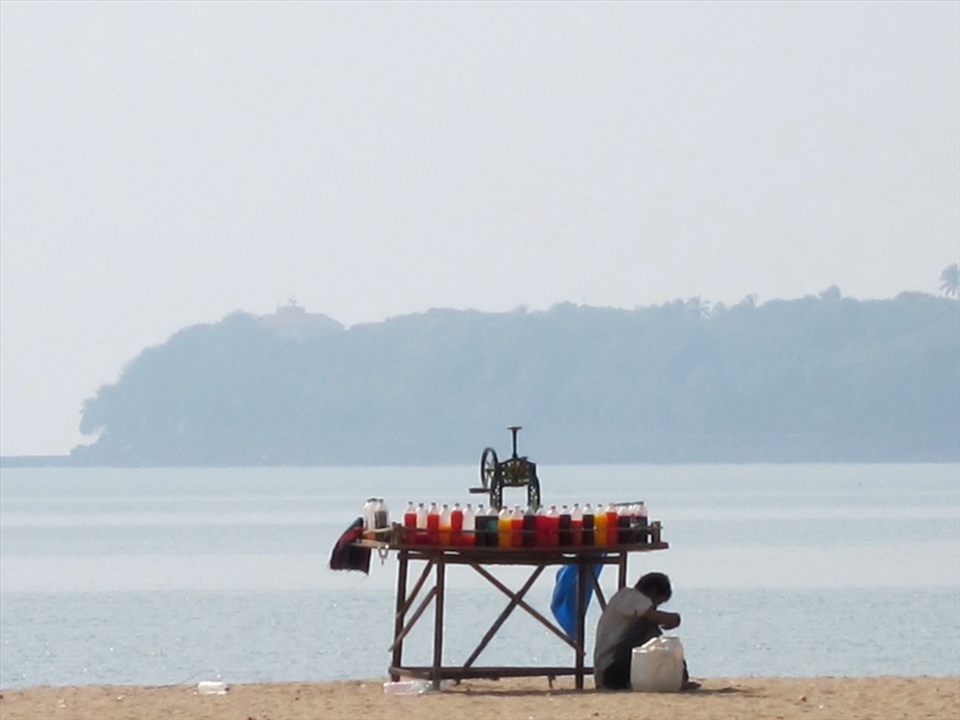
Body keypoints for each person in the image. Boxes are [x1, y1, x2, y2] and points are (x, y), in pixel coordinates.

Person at [593, 571, 695, 691]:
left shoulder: (623, 596)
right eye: (658, 602)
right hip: (612, 668)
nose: (655, 606)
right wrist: (675, 618)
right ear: (653, 592)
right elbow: (652, 616)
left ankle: (679, 676)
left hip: (606, 669)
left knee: (649, 629)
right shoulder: (636, 598)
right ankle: (681, 676)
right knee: (648, 626)